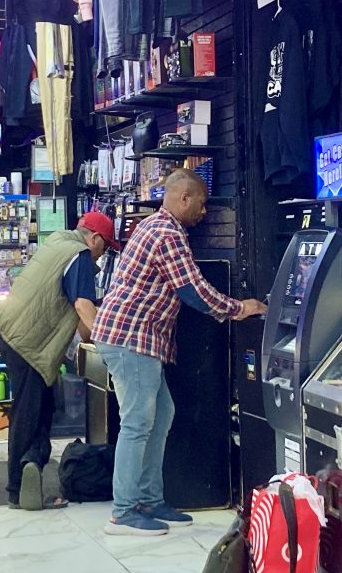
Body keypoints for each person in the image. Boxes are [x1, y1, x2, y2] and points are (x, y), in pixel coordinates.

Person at [92, 169, 268, 536]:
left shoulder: (153, 226)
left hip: (133, 338)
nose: (204, 212)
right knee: (138, 423)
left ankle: (149, 499)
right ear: (184, 198)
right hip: (131, 338)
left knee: (161, 415)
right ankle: (123, 512)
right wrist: (240, 309)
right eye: (202, 204)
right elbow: (193, 290)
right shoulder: (167, 233)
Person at [0, 212, 119, 511]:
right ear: (95, 238)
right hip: (29, 343)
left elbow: (71, 308)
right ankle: (19, 489)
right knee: (30, 413)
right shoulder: (79, 254)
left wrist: (88, 336)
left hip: (15, 334)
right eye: (106, 247)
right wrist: (110, 344)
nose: (103, 255)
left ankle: (30, 474)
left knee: (41, 407)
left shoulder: (58, 242)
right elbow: (82, 305)